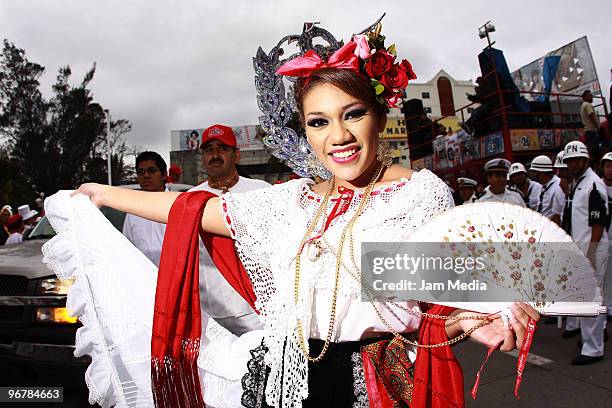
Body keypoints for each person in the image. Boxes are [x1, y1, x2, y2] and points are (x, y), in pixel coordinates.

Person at [45, 26, 539, 408]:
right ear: (305, 131)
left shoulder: (419, 194)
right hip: (287, 375)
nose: (338, 136)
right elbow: (191, 208)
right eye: (319, 122)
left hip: (378, 379)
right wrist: (104, 194)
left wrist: (469, 320)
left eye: (352, 114)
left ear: (378, 115)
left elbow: (436, 295)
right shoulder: (292, 201)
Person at [190, 124, 270, 335]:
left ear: (237, 155)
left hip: (255, 308)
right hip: (210, 311)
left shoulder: (261, 191)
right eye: (209, 150)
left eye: (222, 148)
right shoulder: (190, 198)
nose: (215, 155)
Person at [561, 140, 608, 365]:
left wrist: (591, 253)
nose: (572, 163)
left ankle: (593, 349)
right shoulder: (577, 182)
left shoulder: (593, 184)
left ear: (585, 160)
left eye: (576, 160)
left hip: (592, 250)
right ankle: (592, 339)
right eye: (569, 160)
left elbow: (598, 222)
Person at [122, 151, 169, 267]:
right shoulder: (133, 211)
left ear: (164, 174)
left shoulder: (178, 205)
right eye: (141, 172)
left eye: (152, 171)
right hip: (142, 278)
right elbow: (127, 247)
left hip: (174, 278)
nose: (146, 176)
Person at [530, 155, 564, 225]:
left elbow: (560, 213)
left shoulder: (558, 186)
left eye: (536, 174)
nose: (534, 177)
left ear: (542, 172)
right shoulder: (543, 186)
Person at [600, 152, 612, 321]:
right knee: (604, 275)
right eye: (608, 166)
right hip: (603, 237)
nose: (610, 170)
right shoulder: (597, 185)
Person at [580, 90, 602, 164]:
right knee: (596, 153)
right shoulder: (587, 105)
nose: (591, 97)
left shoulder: (583, 105)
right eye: (589, 95)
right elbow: (591, 116)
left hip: (588, 132)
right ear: (585, 97)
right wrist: (598, 128)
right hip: (592, 131)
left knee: (593, 152)